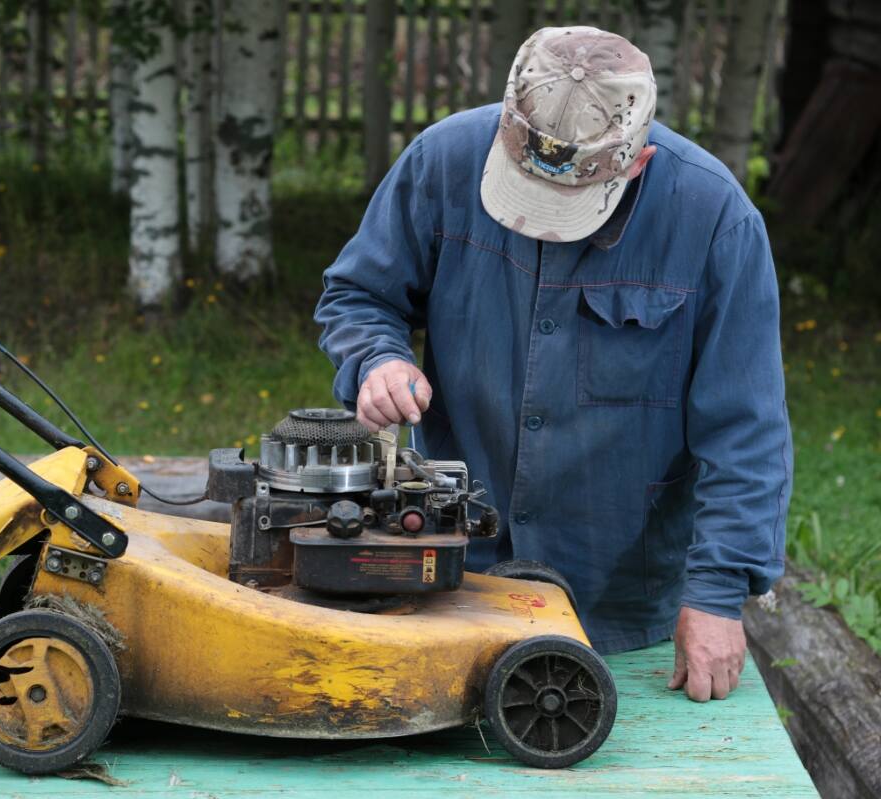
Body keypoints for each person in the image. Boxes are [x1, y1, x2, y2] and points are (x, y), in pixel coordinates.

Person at [314, 26, 792, 703]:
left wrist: (716, 593)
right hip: (453, 572)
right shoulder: (442, 161)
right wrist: (376, 360)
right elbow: (359, 295)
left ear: (637, 163)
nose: (539, 229)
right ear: (508, 125)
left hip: (622, 606)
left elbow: (745, 429)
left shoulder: (716, 221)